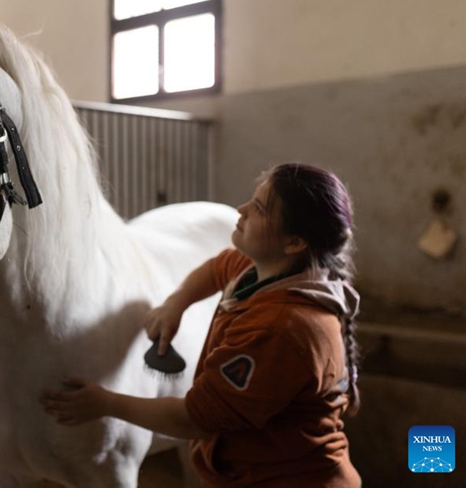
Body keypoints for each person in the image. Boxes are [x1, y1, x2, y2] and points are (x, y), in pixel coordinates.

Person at [41, 163, 362, 487]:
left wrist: (106, 403)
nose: (242, 209)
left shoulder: (279, 329)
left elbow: (193, 421)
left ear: (294, 242)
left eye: (260, 209)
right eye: (252, 199)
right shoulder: (264, 270)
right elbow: (216, 267)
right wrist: (175, 304)